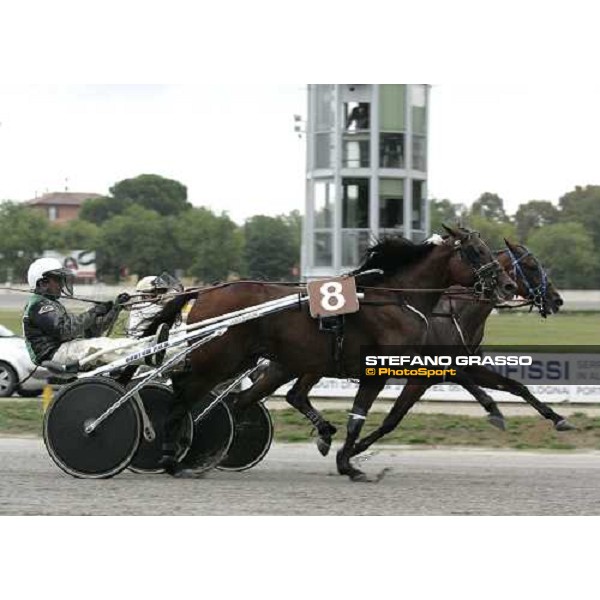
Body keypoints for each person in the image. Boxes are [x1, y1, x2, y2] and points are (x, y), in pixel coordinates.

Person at [22, 257, 156, 370]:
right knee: (100, 347)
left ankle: (149, 348)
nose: (61, 285)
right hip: (54, 354)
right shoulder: (39, 305)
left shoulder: (52, 305)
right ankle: (151, 353)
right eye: (57, 280)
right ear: (43, 282)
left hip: (62, 350)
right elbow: (65, 331)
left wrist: (116, 308)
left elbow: (90, 332)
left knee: (105, 345)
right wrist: (94, 312)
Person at [127, 273, 184, 339]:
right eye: (158, 292)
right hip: (139, 342)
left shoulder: (158, 305)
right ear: (146, 294)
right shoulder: (141, 307)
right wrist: (180, 298)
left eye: (163, 291)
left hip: (155, 339)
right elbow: (168, 309)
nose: (162, 294)